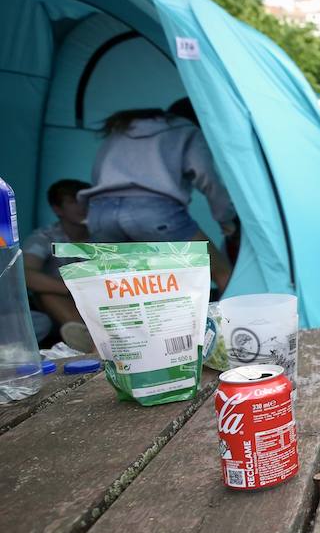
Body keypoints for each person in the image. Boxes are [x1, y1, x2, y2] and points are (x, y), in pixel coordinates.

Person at [80, 98, 237, 289]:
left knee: (124, 288)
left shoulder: (120, 130)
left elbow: (98, 173)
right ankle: (236, 319)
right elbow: (206, 176)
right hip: (154, 214)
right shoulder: (187, 130)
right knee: (222, 272)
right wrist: (225, 219)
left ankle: (89, 320)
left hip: (100, 214)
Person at [21, 179, 92, 347]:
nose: (82, 207)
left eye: (85, 201)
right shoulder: (45, 237)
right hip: (59, 306)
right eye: (73, 201)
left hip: (95, 301)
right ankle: (85, 337)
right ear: (57, 208)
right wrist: (71, 288)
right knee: (45, 291)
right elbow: (25, 274)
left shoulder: (103, 237)